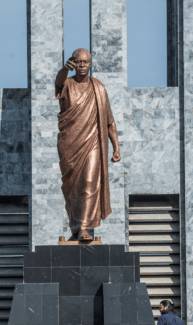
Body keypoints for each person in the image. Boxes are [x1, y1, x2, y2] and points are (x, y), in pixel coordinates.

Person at [54, 48, 121, 241]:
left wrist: (116, 147)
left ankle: (84, 227)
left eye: (86, 62)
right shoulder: (66, 83)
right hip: (69, 144)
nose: (82, 65)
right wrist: (64, 70)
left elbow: (109, 121)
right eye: (79, 62)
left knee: (90, 182)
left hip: (92, 143)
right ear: (74, 63)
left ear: (90, 64)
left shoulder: (98, 88)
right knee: (73, 188)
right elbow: (57, 84)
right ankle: (75, 227)